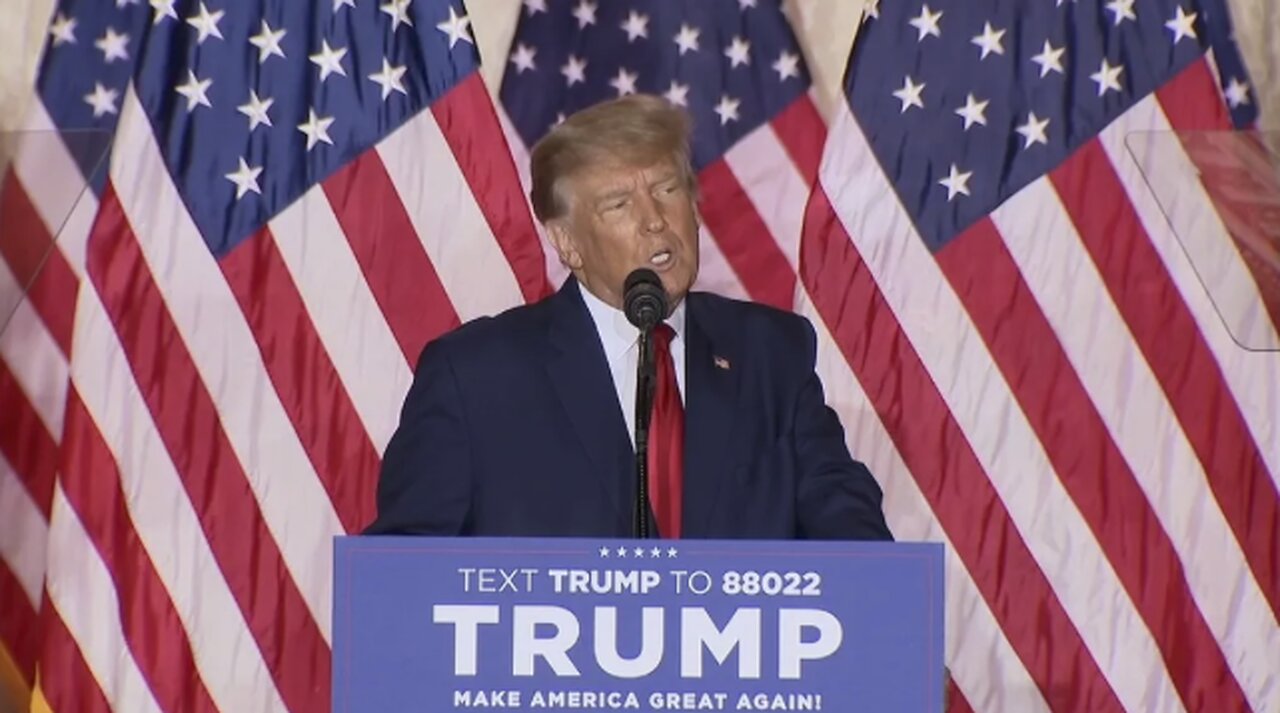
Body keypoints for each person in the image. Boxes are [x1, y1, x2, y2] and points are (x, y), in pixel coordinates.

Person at [366, 94, 891, 541]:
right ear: (567, 242)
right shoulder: (476, 377)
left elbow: (845, 523)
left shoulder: (771, 352)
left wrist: (890, 626)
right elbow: (407, 573)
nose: (655, 220)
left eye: (667, 189)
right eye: (618, 205)